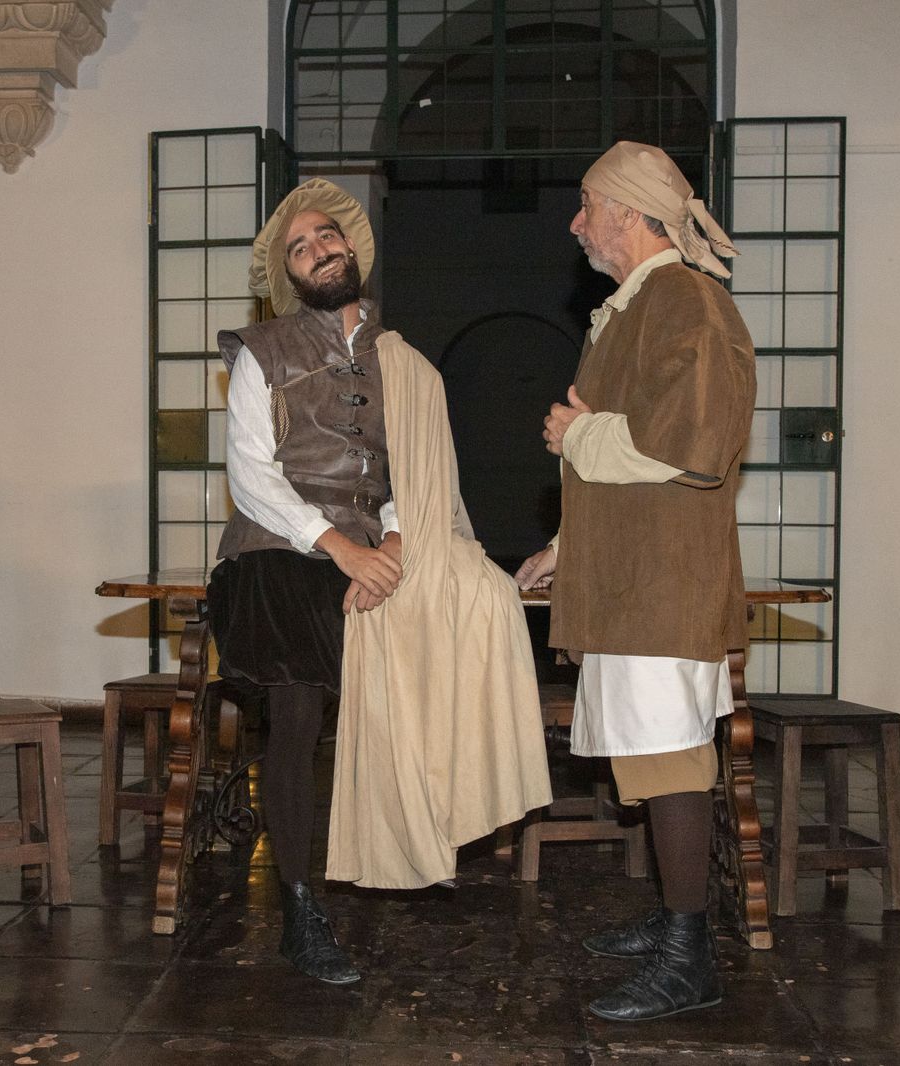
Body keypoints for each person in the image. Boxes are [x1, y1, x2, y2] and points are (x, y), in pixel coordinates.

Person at [210, 179, 550, 987]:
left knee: (471, 606)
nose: (318, 247)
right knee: (297, 706)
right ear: (287, 275)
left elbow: (411, 472)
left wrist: (392, 542)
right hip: (276, 552)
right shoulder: (263, 354)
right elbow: (251, 474)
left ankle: (422, 819)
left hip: (374, 550)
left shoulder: (402, 361)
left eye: (326, 234)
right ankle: (299, 903)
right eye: (299, 246)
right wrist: (341, 550)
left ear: (351, 248)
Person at [514, 142, 756, 1023]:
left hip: (663, 582)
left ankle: (691, 955)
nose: (576, 223)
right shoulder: (633, 309)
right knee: (646, 761)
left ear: (630, 211)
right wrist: (566, 544)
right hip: (628, 575)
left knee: (670, 759)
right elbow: (632, 454)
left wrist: (574, 437)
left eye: (587, 205)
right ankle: (671, 921)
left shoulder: (687, 299)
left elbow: (693, 445)